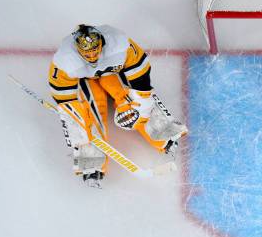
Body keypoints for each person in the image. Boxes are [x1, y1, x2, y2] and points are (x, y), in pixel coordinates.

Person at [48, 24, 188, 187]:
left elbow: (140, 72)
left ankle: (164, 131)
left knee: (134, 102)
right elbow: (64, 96)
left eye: (95, 50)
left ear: (102, 43)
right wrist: (75, 121)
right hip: (85, 80)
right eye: (87, 53)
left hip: (114, 73)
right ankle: (90, 163)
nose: (92, 55)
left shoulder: (119, 45)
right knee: (87, 117)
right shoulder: (65, 62)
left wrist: (142, 102)